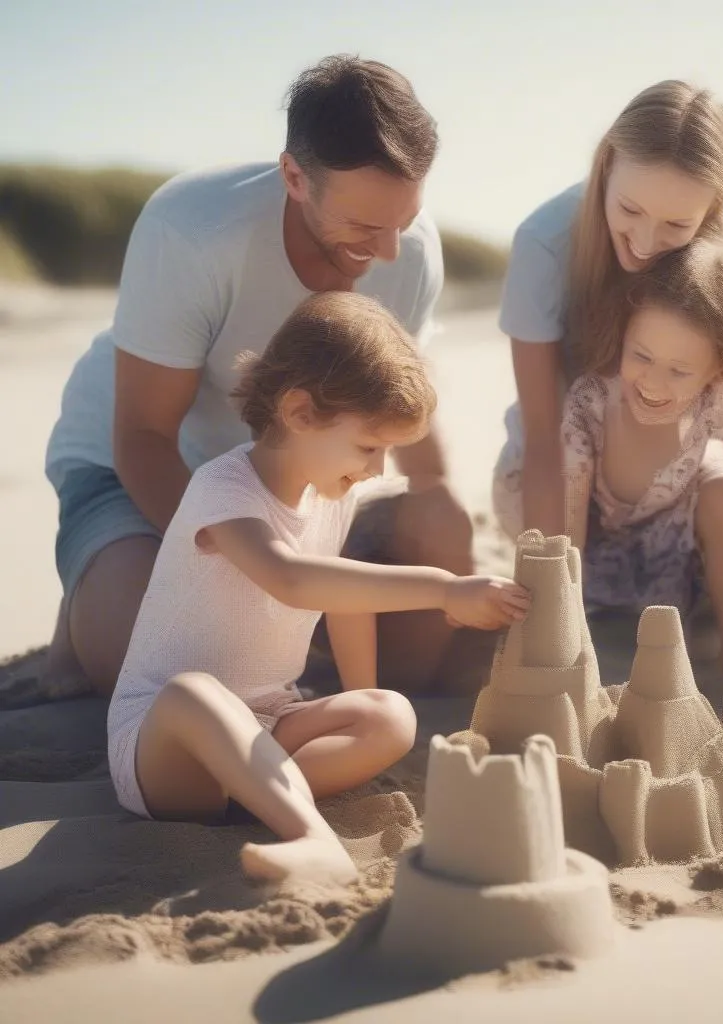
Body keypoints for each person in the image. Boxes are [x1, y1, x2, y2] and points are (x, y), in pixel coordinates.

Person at [43, 54, 471, 702]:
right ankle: (85, 609)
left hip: (302, 480)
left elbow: (402, 423)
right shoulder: (193, 231)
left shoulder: (407, 252)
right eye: (363, 226)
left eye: (402, 223)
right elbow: (142, 438)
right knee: (166, 667)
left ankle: (306, 662)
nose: (387, 252)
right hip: (143, 470)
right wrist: (262, 573)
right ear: (294, 177)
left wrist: (440, 520)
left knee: (442, 538)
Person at [107, 291, 530, 883]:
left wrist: (358, 699)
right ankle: (311, 835)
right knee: (193, 693)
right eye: (369, 447)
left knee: (391, 716)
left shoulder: (333, 495)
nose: (378, 469)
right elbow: (292, 580)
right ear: (300, 412)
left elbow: (340, 598)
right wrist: (443, 589)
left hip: (273, 720)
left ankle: (261, 792)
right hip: (165, 747)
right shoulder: (222, 491)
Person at [492, 81, 723, 721]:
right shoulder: (544, 243)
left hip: (667, 483)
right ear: (604, 166)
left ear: (714, 210)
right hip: (564, 478)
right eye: (630, 211)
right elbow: (544, 445)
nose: (645, 244)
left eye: (678, 225)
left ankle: (682, 613)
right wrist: (554, 633)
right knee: (565, 643)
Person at [562, 238, 723, 692]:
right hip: (602, 563)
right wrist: (564, 630)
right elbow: (570, 521)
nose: (654, 382)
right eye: (641, 356)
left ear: (718, 370)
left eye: (679, 371)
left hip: (676, 559)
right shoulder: (591, 403)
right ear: (624, 334)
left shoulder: (716, 401)